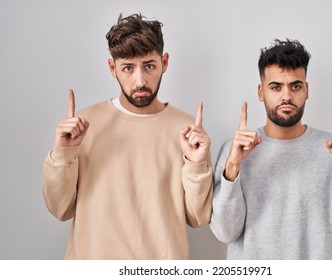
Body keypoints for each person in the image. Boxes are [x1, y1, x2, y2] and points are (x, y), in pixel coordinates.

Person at [43, 13, 213, 259]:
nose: (140, 80)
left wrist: (196, 164)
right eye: (128, 68)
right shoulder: (82, 126)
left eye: (149, 66)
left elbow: (198, 218)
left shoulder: (188, 131)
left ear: (164, 62)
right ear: (113, 68)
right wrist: (63, 153)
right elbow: (60, 209)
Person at [210, 39, 332, 259]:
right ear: (261, 92)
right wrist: (232, 168)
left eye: (295, 86)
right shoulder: (234, 152)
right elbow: (225, 233)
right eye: (276, 87)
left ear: (306, 90)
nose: (286, 96)